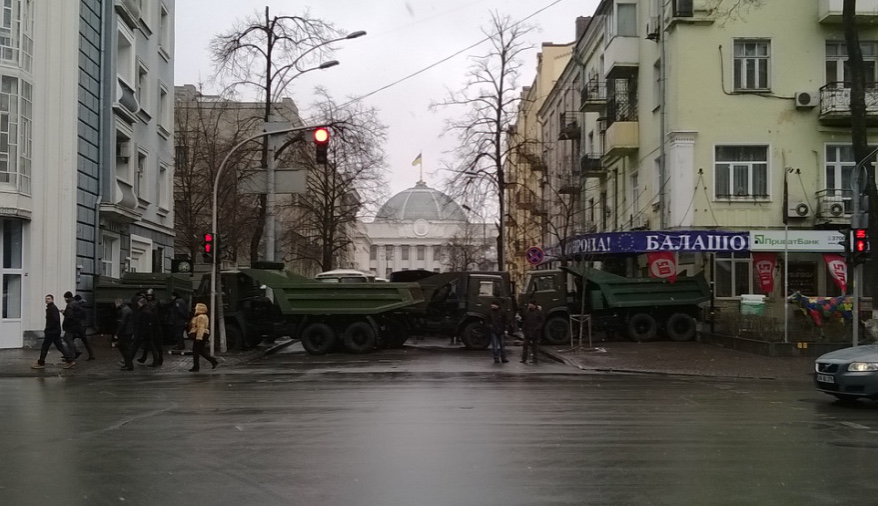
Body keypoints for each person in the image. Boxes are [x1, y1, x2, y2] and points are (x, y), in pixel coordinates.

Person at [31, 294, 76, 369]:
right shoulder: (51, 308)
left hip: (51, 332)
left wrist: (48, 328)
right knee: (59, 346)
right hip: (54, 331)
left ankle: (41, 362)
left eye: (48, 299)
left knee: (45, 347)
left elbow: (55, 320)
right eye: (46, 299)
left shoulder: (52, 308)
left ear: (52, 300)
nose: (47, 300)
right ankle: (70, 360)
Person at [128, 296, 160, 367]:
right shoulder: (148, 310)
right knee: (152, 347)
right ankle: (155, 360)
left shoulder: (144, 312)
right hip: (148, 333)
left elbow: (143, 324)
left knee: (135, 346)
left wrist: (141, 334)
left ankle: (128, 360)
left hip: (144, 333)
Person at [61, 291, 93, 360]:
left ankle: (72, 355)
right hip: (81, 325)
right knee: (83, 341)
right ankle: (90, 355)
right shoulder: (81, 305)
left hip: (77, 326)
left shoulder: (72, 305)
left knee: (68, 339)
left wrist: (65, 314)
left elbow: (71, 316)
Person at [188, 302, 217, 372]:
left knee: (196, 351)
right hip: (202, 335)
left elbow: (200, 328)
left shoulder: (200, 317)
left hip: (200, 335)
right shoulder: (203, 316)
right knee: (201, 350)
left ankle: (196, 366)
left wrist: (198, 337)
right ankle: (213, 361)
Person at [138, 289, 163, 365]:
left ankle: (158, 359)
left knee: (154, 343)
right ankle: (144, 357)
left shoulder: (154, 303)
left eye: (150, 296)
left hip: (154, 325)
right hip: (151, 325)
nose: (149, 297)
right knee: (148, 342)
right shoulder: (148, 303)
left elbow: (158, 313)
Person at [520, 299, 545, 364]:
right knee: (525, 345)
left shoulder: (539, 312)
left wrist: (537, 328)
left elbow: (542, 321)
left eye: (530, 304)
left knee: (535, 346)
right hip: (528, 331)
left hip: (535, 331)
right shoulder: (527, 311)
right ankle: (524, 359)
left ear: (533, 305)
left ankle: (535, 359)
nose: (529, 305)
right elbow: (524, 319)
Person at [114, 298, 136, 371]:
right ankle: (128, 364)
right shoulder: (127, 309)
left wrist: (117, 333)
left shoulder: (124, 311)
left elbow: (122, 323)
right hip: (128, 331)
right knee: (125, 348)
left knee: (125, 349)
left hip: (125, 332)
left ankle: (129, 365)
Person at [487, 299, 511, 364]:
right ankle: (496, 358)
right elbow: (487, 321)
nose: (492, 306)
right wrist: (490, 326)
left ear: (497, 305)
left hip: (501, 330)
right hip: (494, 330)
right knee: (495, 345)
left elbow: (506, 321)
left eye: (493, 305)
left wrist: (506, 329)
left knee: (502, 345)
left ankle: (503, 358)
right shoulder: (490, 312)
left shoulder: (502, 312)